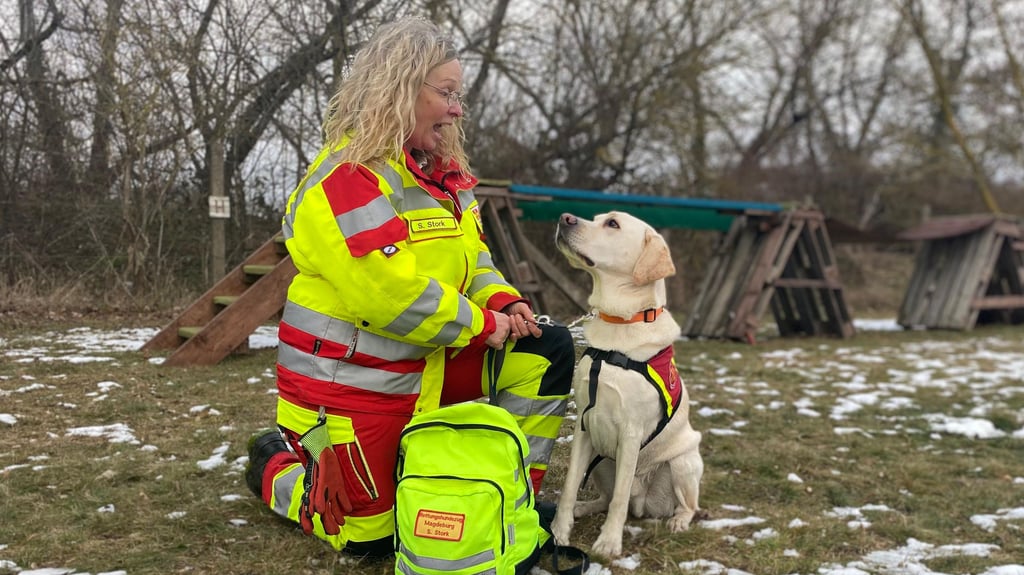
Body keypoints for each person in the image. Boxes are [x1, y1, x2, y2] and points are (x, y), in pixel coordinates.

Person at [244, 17, 574, 557]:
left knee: (546, 350)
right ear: (398, 87)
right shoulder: (346, 179)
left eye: (458, 95)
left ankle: (505, 493)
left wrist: (502, 299)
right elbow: (392, 297)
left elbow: (475, 262)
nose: (456, 108)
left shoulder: (441, 178)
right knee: (368, 542)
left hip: (432, 370)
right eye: (445, 93)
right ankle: (274, 467)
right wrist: (485, 325)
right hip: (357, 389)